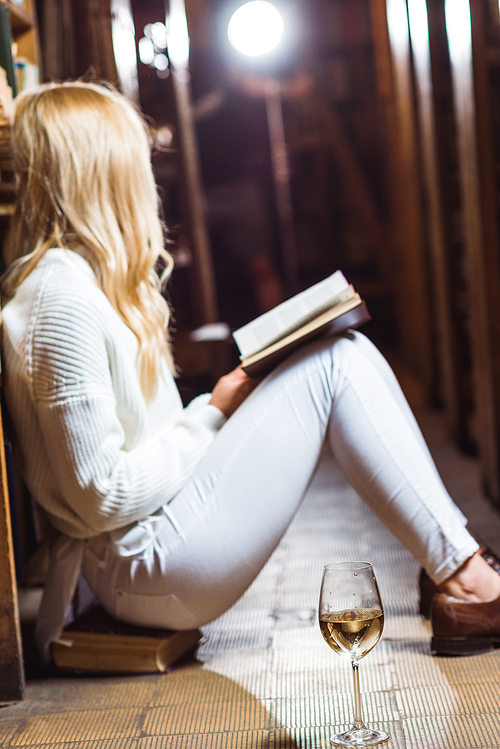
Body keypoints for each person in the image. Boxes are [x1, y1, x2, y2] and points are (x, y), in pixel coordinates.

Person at [2, 81, 500, 665]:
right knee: (336, 366)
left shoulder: (80, 284)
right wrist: (214, 412)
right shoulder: (59, 302)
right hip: (140, 568)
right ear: (101, 172)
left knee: (344, 351)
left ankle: (457, 566)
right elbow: (99, 496)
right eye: (135, 160)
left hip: (153, 538)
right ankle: (469, 579)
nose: (148, 178)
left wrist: (219, 406)